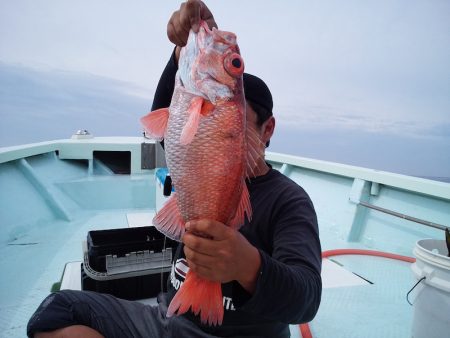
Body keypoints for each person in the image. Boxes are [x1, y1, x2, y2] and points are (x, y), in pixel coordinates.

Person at [27, 1, 322, 337]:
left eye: (242, 122)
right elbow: (169, 117)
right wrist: (182, 50)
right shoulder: (197, 148)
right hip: (168, 321)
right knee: (55, 313)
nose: (231, 129)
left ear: (267, 130)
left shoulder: (289, 200)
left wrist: (248, 265)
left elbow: (307, 298)